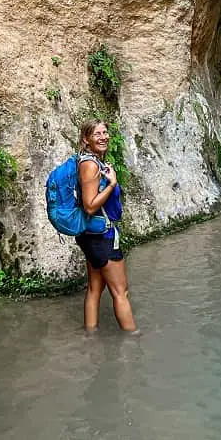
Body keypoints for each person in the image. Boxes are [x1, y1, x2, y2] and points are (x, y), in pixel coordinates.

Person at [75, 119, 138, 334]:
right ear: (86, 139)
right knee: (121, 292)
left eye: (105, 132)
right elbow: (90, 206)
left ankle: (90, 337)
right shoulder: (90, 165)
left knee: (95, 288)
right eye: (97, 134)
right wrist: (112, 184)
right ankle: (133, 339)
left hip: (91, 234)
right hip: (102, 236)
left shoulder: (91, 161)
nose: (103, 137)